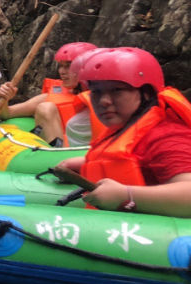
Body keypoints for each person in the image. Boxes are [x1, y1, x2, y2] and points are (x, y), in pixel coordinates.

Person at [55, 48, 191, 216]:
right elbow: (137, 159)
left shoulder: (167, 136)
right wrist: (85, 165)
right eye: (96, 92)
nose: (104, 101)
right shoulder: (123, 129)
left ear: (146, 93)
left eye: (117, 90)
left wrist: (127, 195)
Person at [0, 42, 96, 146]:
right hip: (63, 153)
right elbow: (7, 114)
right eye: (61, 66)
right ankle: (58, 153)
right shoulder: (50, 97)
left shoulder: (104, 98)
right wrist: (5, 98)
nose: (62, 71)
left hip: (96, 153)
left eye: (68, 66)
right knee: (45, 108)